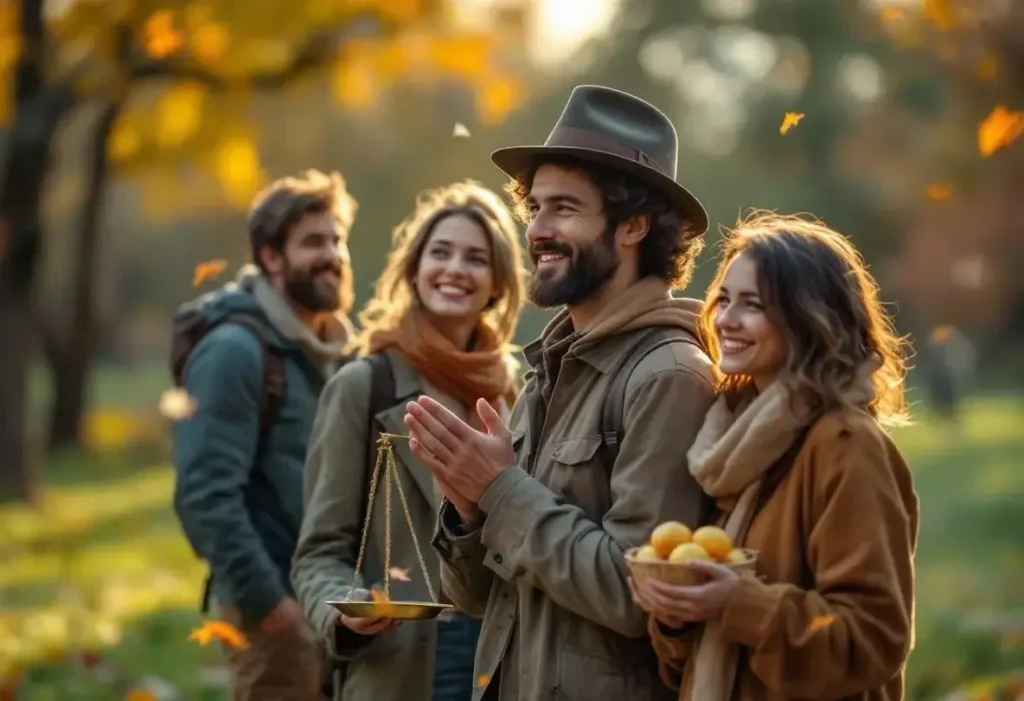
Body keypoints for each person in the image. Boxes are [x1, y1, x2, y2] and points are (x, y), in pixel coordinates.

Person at [404, 85, 717, 700]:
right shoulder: (550, 369)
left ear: (633, 225)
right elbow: (474, 599)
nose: (537, 231)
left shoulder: (670, 376)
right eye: (535, 208)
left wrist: (500, 489)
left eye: (565, 209)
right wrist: (469, 510)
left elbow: (636, 595)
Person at [632, 211, 919, 701]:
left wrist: (736, 605)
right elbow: (700, 661)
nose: (726, 320)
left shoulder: (847, 445)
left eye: (754, 305)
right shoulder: (729, 446)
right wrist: (678, 617)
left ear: (810, 316)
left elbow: (873, 637)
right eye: (724, 300)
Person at [292, 180, 527, 701]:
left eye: (476, 258)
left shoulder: (514, 392)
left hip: (502, 656)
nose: (455, 269)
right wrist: (345, 609)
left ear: (498, 282)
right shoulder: (364, 386)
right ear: (414, 270)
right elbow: (317, 552)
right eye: (440, 253)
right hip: (402, 663)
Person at [171, 169, 358, 701]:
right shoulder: (235, 350)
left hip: (332, 605)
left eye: (338, 239)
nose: (334, 255)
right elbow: (203, 494)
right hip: (274, 616)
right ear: (272, 257)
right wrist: (270, 605)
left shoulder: (336, 350)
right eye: (313, 243)